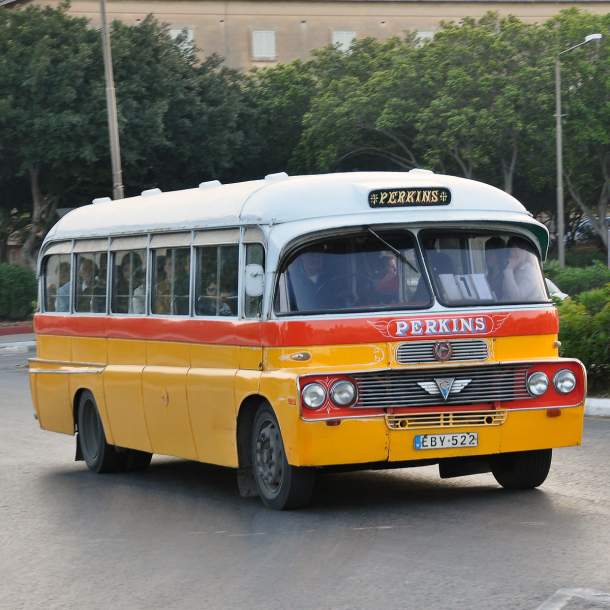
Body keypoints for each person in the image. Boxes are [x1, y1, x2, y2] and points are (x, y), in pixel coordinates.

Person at [502, 236, 545, 302]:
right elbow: (506, 295)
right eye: (512, 249)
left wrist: (509, 270)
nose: (516, 252)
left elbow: (517, 298)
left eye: (520, 249)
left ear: (527, 252)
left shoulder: (530, 271)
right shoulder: (514, 269)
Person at [485, 237, 507, 301]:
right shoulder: (488, 276)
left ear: (499, 255)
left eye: (490, 253)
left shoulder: (505, 276)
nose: (487, 256)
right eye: (486, 253)